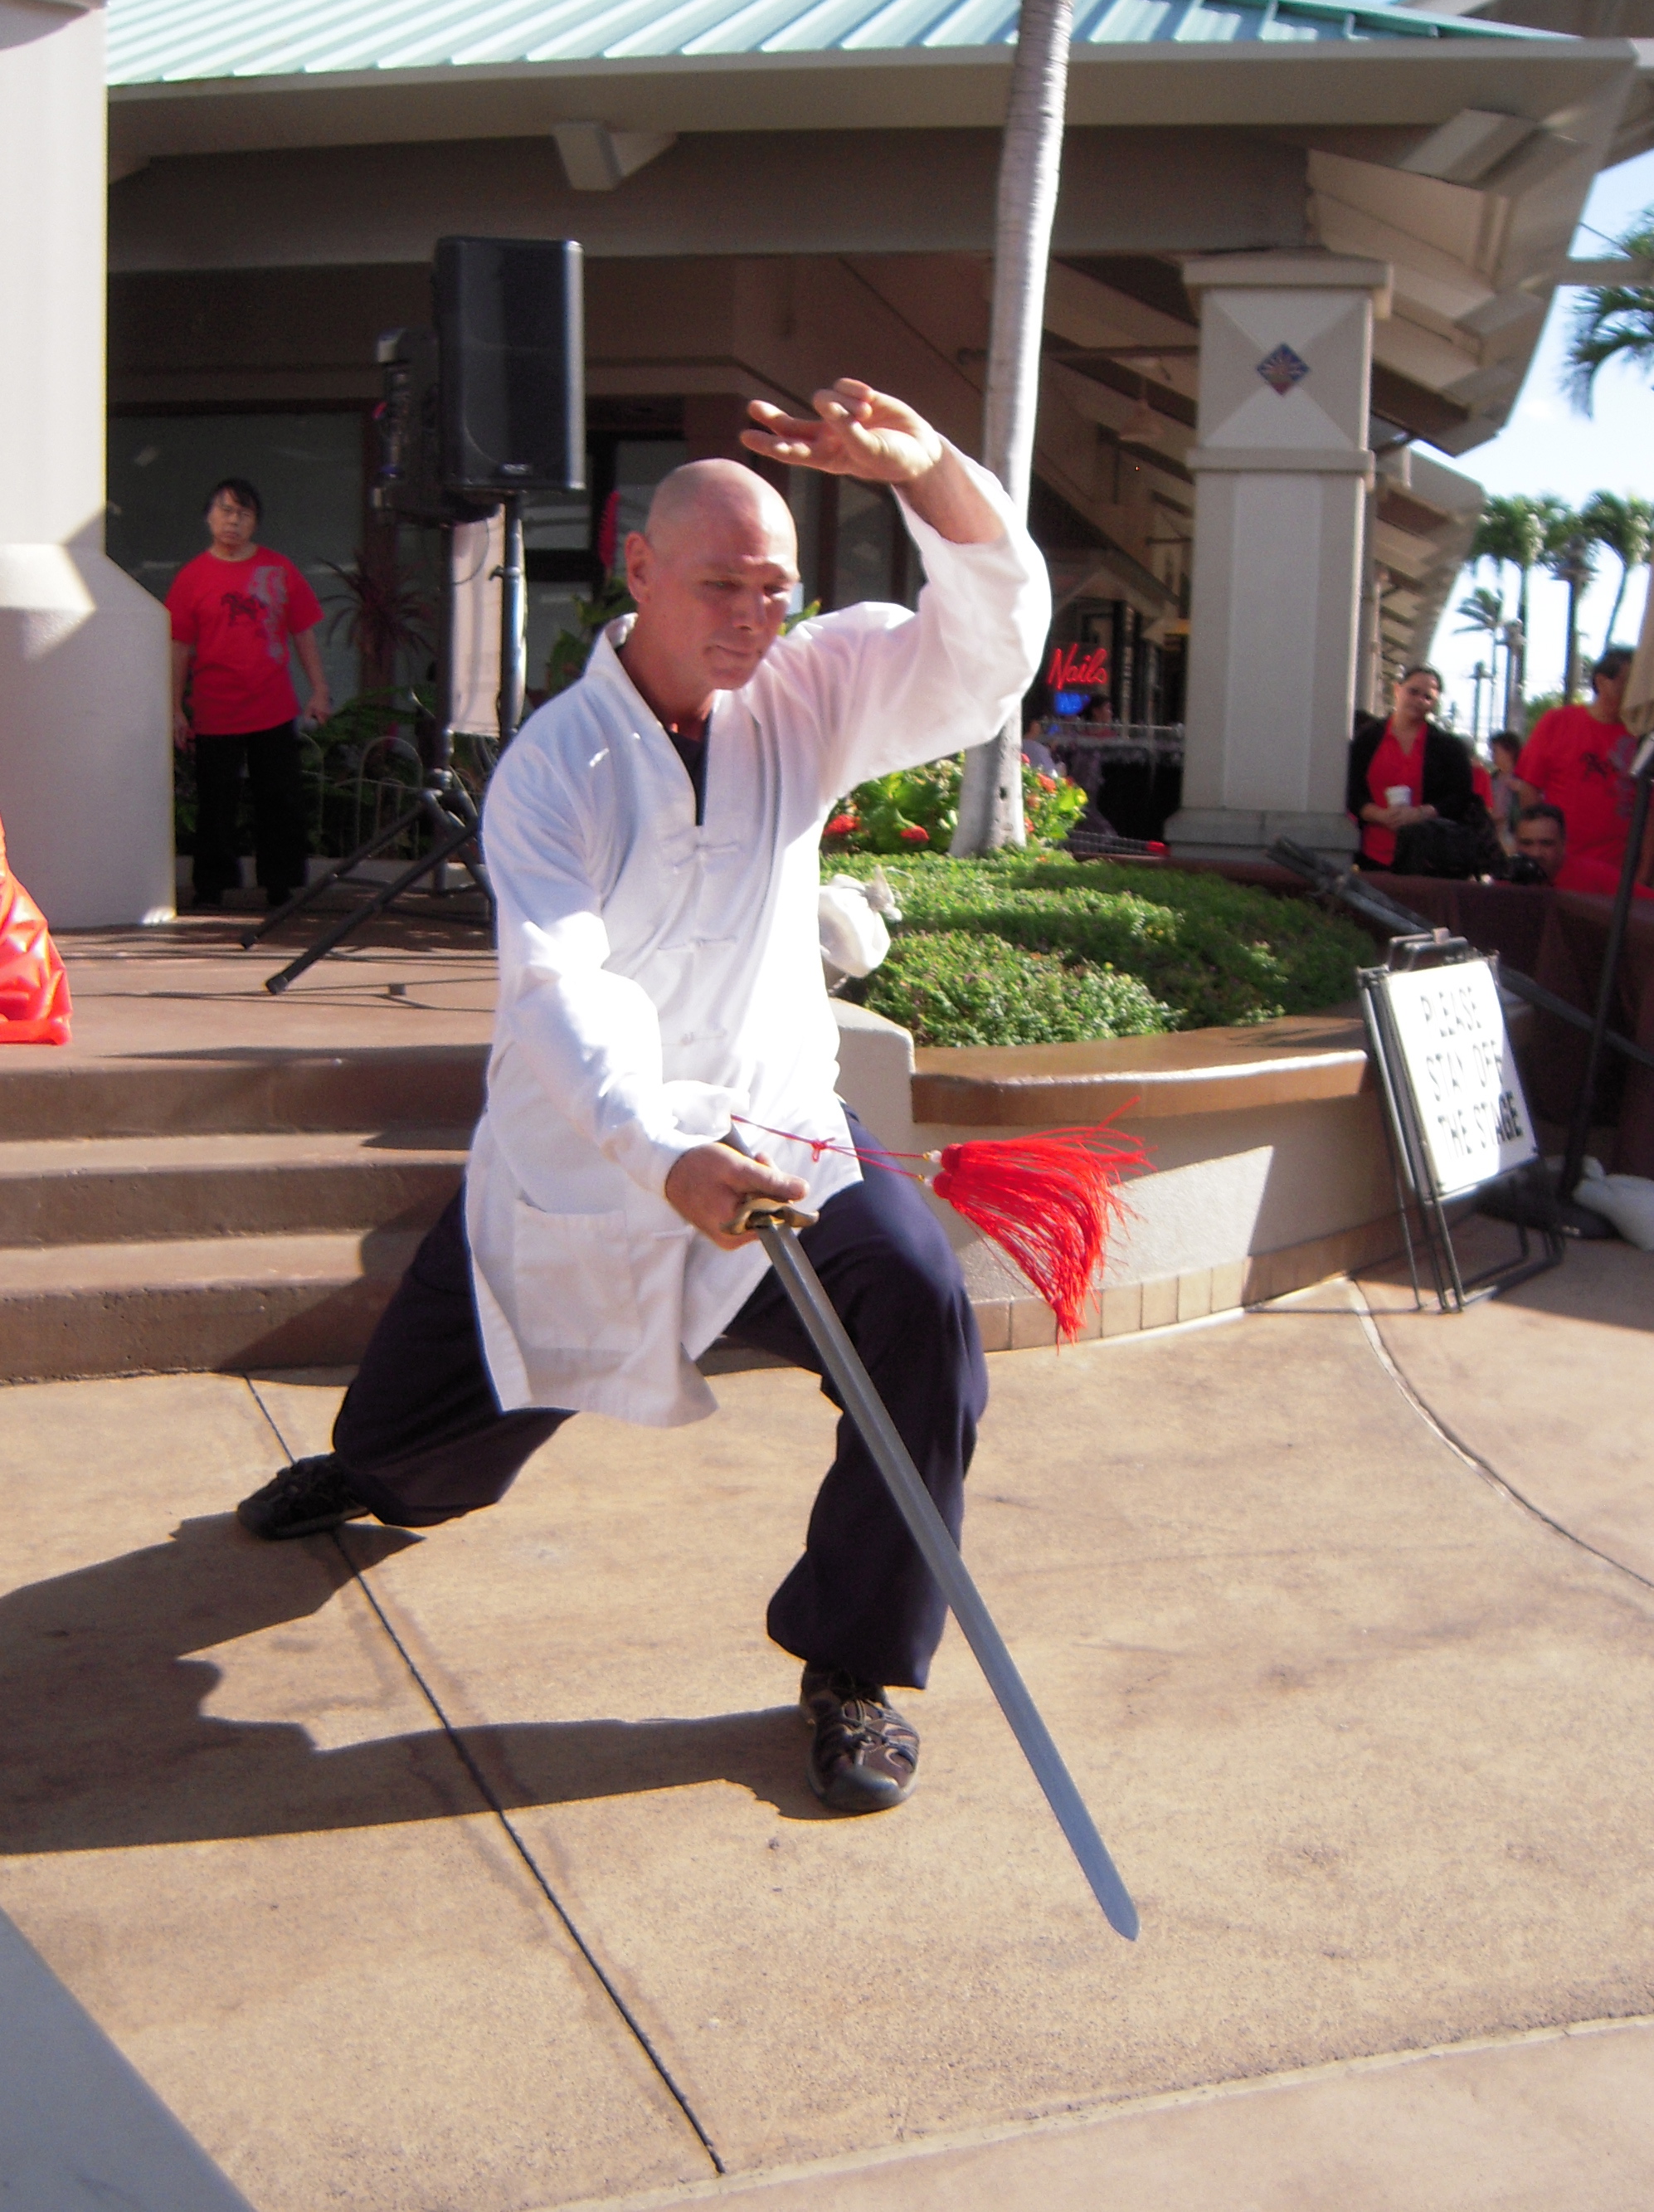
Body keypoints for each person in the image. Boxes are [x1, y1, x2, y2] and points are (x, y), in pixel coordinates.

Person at [235, 380, 1050, 1817]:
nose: (753, 614)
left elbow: (984, 652)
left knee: (917, 1308)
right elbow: (560, 991)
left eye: (775, 587)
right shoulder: (555, 765)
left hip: (778, 1128)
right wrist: (662, 1154)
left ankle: (852, 1663)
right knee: (416, 1452)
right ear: (637, 571)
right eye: (720, 583)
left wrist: (924, 467)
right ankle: (372, 1471)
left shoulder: (807, 692)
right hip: (581, 1158)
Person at [167, 479, 331, 911]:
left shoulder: (279, 569)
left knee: (279, 798)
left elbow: (303, 632)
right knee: (215, 801)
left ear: (256, 522)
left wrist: (320, 690)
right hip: (214, 706)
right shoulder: (192, 577)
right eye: (225, 511)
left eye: (243, 513)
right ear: (208, 517)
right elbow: (179, 646)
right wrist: (174, 708)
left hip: (272, 704)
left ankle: (281, 885)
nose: (233, 521)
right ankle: (211, 887)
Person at [1514, 648, 1654, 893]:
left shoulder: (1643, 739)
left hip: (1617, 874)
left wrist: (1644, 871)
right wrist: (1540, 852)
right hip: (1561, 869)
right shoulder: (1559, 722)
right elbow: (1529, 790)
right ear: (1602, 682)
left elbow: (1649, 810)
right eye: (1627, 683)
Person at [1346, 665, 1476, 871]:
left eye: (1428, 697)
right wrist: (1378, 815)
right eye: (1413, 692)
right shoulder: (1367, 739)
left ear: (1434, 704)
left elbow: (1460, 796)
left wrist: (1421, 813)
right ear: (1397, 690)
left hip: (1429, 857)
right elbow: (1349, 788)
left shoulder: (1448, 747)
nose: (1419, 700)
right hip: (1371, 854)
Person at [1515, 799, 1654, 902]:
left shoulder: (1595, 875)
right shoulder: (1509, 881)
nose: (1536, 853)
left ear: (1563, 843)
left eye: (1546, 844)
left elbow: (1649, 902)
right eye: (1527, 843)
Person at [1488, 732, 1524, 852]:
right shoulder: (1492, 779)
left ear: (1510, 752)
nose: (1493, 756)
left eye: (1495, 751)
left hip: (1513, 833)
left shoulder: (1524, 780)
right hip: (1493, 832)